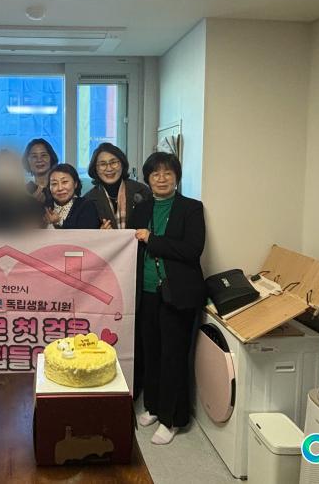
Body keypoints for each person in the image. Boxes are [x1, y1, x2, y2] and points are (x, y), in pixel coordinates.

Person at [128, 152, 207, 445]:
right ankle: (153, 406)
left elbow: (192, 250)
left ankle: (172, 418)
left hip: (179, 294)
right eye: (155, 174)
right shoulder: (141, 209)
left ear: (177, 177)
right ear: (148, 179)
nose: (161, 179)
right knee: (150, 352)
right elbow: (129, 245)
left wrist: (152, 239)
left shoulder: (191, 208)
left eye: (167, 173)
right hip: (147, 292)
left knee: (173, 355)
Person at [83, 143, 152, 230]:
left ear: (122, 164)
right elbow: (86, 234)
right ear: (95, 169)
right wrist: (98, 233)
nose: (109, 168)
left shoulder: (142, 191)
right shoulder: (88, 200)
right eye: (103, 164)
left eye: (113, 162)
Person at [44, 163, 100, 229]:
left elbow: (86, 233)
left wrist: (58, 222)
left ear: (75, 184)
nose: (60, 188)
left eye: (64, 182)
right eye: (54, 183)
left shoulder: (86, 205)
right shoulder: (45, 207)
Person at [23, 138, 58, 205]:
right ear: (27, 161)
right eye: (34, 156)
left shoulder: (60, 188)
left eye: (44, 155)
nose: (39, 160)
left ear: (51, 158)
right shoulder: (23, 192)